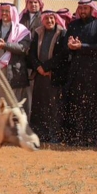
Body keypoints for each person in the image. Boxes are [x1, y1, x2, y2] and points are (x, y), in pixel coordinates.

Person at [61, 0, 97, 147]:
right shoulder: (73, 25)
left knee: (92, 104)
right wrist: (69, 45)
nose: (82, 11)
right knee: (75, 101)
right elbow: (65, 44)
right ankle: (74, 136)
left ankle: (91, 137)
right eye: (80, 9)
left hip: (94, 72)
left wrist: (82, 46)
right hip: (76, 70)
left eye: (85, 9)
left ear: (91, 9)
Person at [0, 3, 31, 115]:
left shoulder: (22, 30)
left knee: (11, 103)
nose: (4, 13)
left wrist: (5, 45)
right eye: (2, 11)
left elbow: (23, 48)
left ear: (12, 13)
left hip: (13, 71)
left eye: (7, 11)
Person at [28, 10, 68, 144]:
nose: (49, 21)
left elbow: (62, 55)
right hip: (39, 75)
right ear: (42, 20)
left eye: (51, 18)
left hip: (54, 75)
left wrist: (46, 68)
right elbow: (31, 53)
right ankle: (39, 135)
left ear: (55, 19)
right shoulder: (38, 32)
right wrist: (38, 67)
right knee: (39, 106)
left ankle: (54, 135)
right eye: (46, 19)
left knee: (54, 106)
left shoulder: (62, 33)